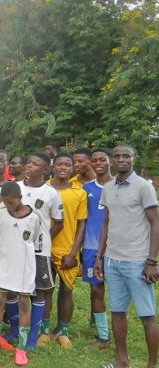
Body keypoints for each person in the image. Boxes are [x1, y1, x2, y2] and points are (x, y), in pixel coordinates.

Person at [94, 145, 159, 368]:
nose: (121, 160)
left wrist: (151, 261)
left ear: (133, 159)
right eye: (118, 156)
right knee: (117, 312)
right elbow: (106, 222)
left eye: (126, 156)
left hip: (138, 261)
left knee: (147, 315)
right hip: (113, 260)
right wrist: (100, 256)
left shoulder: (143, 187)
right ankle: (122, 361)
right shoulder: (108, 188)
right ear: (112, 160)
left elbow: (155, 223)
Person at [0, 182, 42, 366]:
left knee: (24, 302)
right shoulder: (0, 214)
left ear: (20, 198)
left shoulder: (34, 218)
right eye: (6, 202)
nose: (9, 205)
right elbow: (0, 236)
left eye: (12, 202)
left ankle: (21, 348)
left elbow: (34, 241)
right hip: (5, 265)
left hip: (24, 266)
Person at [18, 153, 63, 350]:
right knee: (16, 290)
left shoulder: (51, 193)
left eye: (35, 164)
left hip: (39, 251)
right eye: (29, 162)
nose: (29, 166)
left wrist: (44, 238)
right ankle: (16, 330)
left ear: (45, 170)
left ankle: (34, 335)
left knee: (39, 292)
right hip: (17, 249)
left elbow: (59, 222)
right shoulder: (15, 188)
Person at [47, 153, 87, 349]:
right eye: (59, 164)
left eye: (67, 165)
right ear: (53, 167)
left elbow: (81, 224)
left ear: (72, 168)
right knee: (44, 291)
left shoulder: (79, 193)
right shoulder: (44, 188)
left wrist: (73, 252)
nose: (63, 167)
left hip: (68, 249)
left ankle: (63, 331)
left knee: (66, 290)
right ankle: (43, 330)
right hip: (45, 248)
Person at [82, 148, 112, 349]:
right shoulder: (86, 189)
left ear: (110, 162)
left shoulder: (119, 186)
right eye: (95, 160)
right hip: (92, 247)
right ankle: (104, 336)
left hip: (117, 246)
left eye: (102, 159)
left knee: (118, 292)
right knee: (96, 289)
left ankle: (118, 330)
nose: (98, 163)